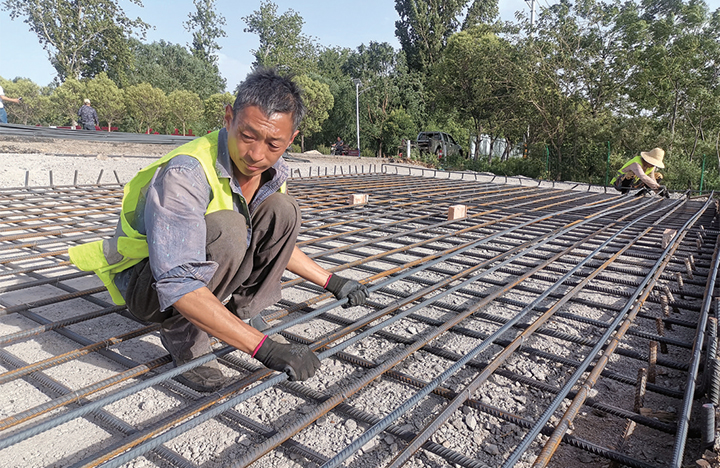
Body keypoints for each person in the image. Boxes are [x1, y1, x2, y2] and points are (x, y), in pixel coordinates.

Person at [68, 68, 369, 392]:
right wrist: (263, 348)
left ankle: (241, 315)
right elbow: (178, 283)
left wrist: (332, 282)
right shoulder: (187, 172)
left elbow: (270, 240)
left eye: (273, 143)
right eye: (248, 136)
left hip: (195, 271)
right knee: (230, 228)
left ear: (291, 139)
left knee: (283, 210)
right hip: (152, 286)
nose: (257, 155)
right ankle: (184, 335)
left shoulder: (271, 169)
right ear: (228, 119)